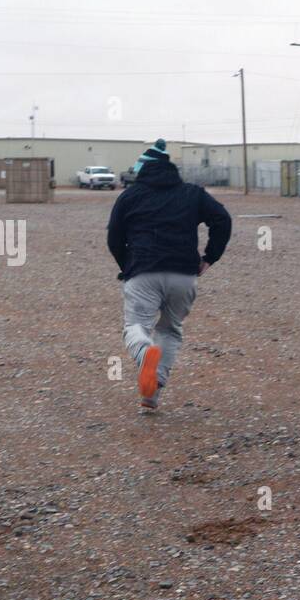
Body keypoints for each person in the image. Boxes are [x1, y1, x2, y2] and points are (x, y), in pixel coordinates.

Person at [107, 139, 232, 410]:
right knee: (170, 330)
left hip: (143, 273)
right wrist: (210, 257)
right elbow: (222, 219)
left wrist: (126, 266)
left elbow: (114, 238)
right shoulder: (193, 193)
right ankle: (151, 393)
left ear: (143, 169)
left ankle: (143, 352)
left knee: (136, 327)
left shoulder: (129, 196)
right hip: (183, 274)